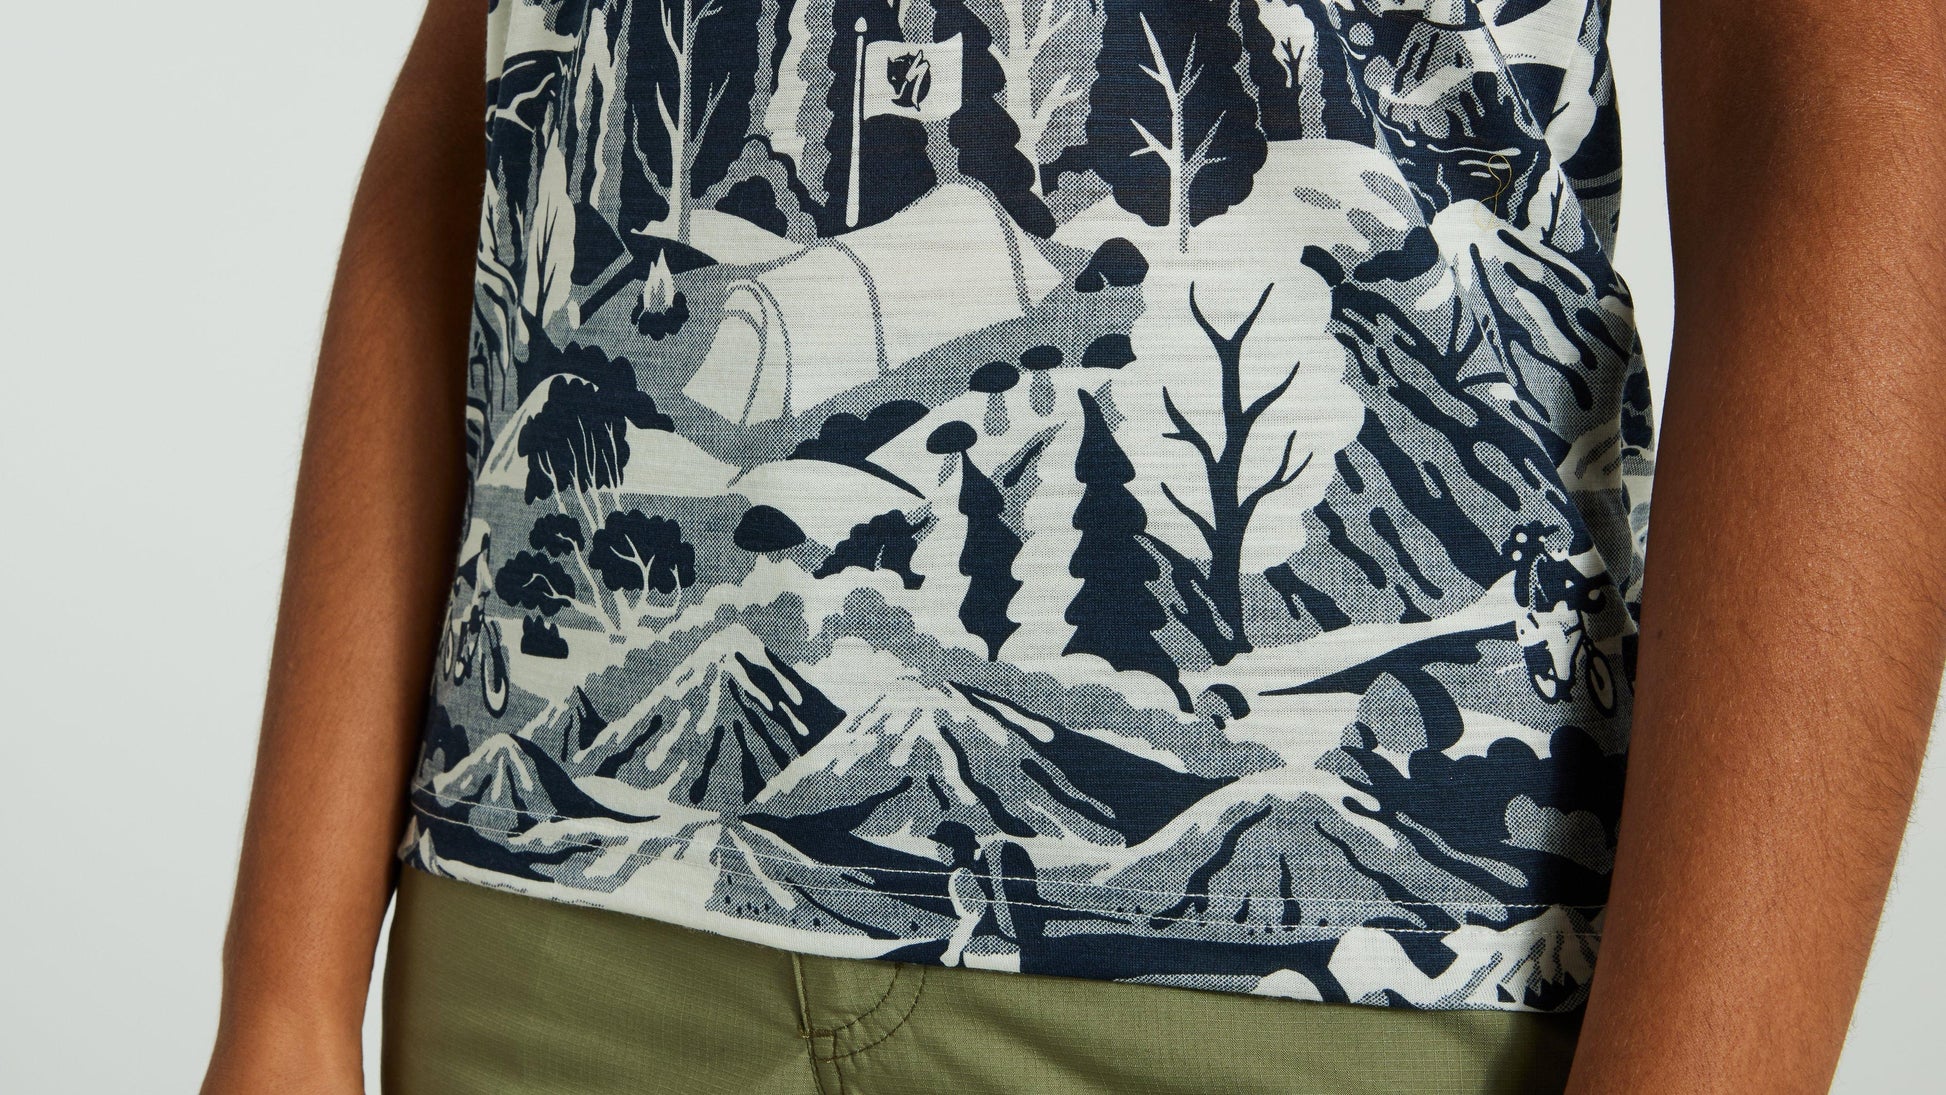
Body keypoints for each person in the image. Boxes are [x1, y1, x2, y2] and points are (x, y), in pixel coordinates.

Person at [198, 1, 1946, 1092]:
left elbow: (1860, 120)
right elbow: (500, 90)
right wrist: (285, 991)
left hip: (1311, 985)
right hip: (537, 937)